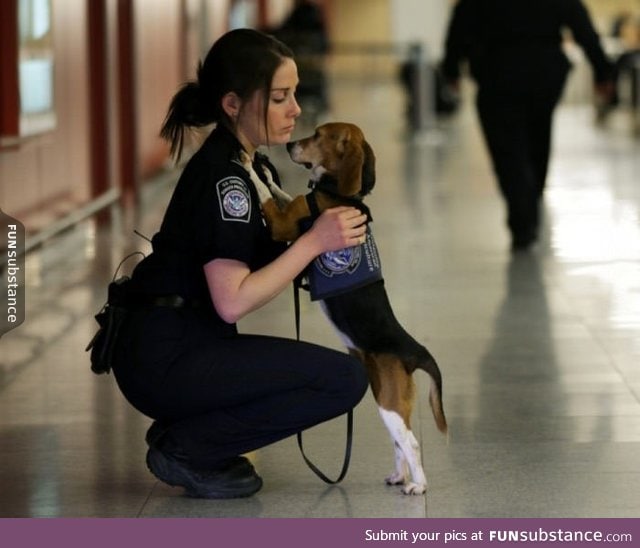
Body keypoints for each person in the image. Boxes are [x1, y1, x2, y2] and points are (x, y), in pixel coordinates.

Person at [110, 28, 369, 499]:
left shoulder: (252, 166)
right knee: (344, 379)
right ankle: (187, 446)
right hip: (165, 357)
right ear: (233, 104)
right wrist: (313, 243)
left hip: (183, 343)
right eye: (279, 98)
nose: (296, 109)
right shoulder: (224, 181)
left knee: (337, 371)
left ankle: (190, 431)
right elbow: (232, 302)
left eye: (293, 95)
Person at [440, 0, 615, 251]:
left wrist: (451, 69)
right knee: (538, 138)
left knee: (507, 151)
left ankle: (523, 221)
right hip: (544, 72)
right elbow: (582, 25)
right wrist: (602, 71)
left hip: (497, 73)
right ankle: (532, 200)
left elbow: (459, 26)